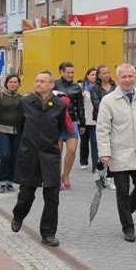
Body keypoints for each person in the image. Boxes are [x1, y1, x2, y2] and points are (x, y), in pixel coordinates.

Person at [96, 63, 136, 243]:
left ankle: (126, 211)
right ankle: (128, 227)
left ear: (135, 77)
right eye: (124, 77)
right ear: (118, 78)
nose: (128, 80)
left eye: (130, 76)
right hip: (119, 153)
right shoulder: (109, 100)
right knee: (122, 191)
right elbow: (102, 129)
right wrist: (104, 152)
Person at [11, 71, 66, 247]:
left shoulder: (59, 105)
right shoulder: (25, 102)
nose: (38, 84)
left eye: (42, 81)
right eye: (36, 81)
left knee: (52, 197)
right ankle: (18, 215)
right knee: (26, 195)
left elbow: (61, 129)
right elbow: (19, 126)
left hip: (50, 156)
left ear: (51, 85)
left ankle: (48, 233)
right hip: (30, 155)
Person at [54, 62, 85, 190]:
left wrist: (82, 123)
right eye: (68, 72)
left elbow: (80, 106)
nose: (71, 75)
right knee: (57, 151)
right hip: (57, 122)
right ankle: (56, 178)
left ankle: (65, 176)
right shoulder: (54, 84)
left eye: (73, 72)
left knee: (72, 150)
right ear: (61, 72)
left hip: (72, 121)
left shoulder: (77, 87)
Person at [0, 75, 22, 193]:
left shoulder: (21, 98)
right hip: (2, 130)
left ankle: (10, 182)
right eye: (11, 82)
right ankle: (2, 181)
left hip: (17, 131)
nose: (13, 84)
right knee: (5, 155)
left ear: (19, 84)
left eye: (15, 82)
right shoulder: (0, 96)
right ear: (7, 84)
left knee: (14, 157)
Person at [90, 64, 117, 188]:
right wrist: (109, 109)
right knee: (103, 150)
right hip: (101, 121)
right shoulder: (94, 89)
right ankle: (99, 172)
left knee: (113, 151)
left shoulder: (115, 87)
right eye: (104, 73)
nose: (107, 75)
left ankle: (110, 178)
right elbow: (96, 104)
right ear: (99, 75)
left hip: (115, 123)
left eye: (108, 72)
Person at [78, 67, 97, 171]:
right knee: (84, 142)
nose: (94, 76)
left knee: (95, 143)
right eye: (92, 74)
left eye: (95, 74)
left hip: (95, 120)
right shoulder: (82, 87)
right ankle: (83, 161)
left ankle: (95, 165)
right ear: (87, 76)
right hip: (84, 119)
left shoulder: (99, 87)